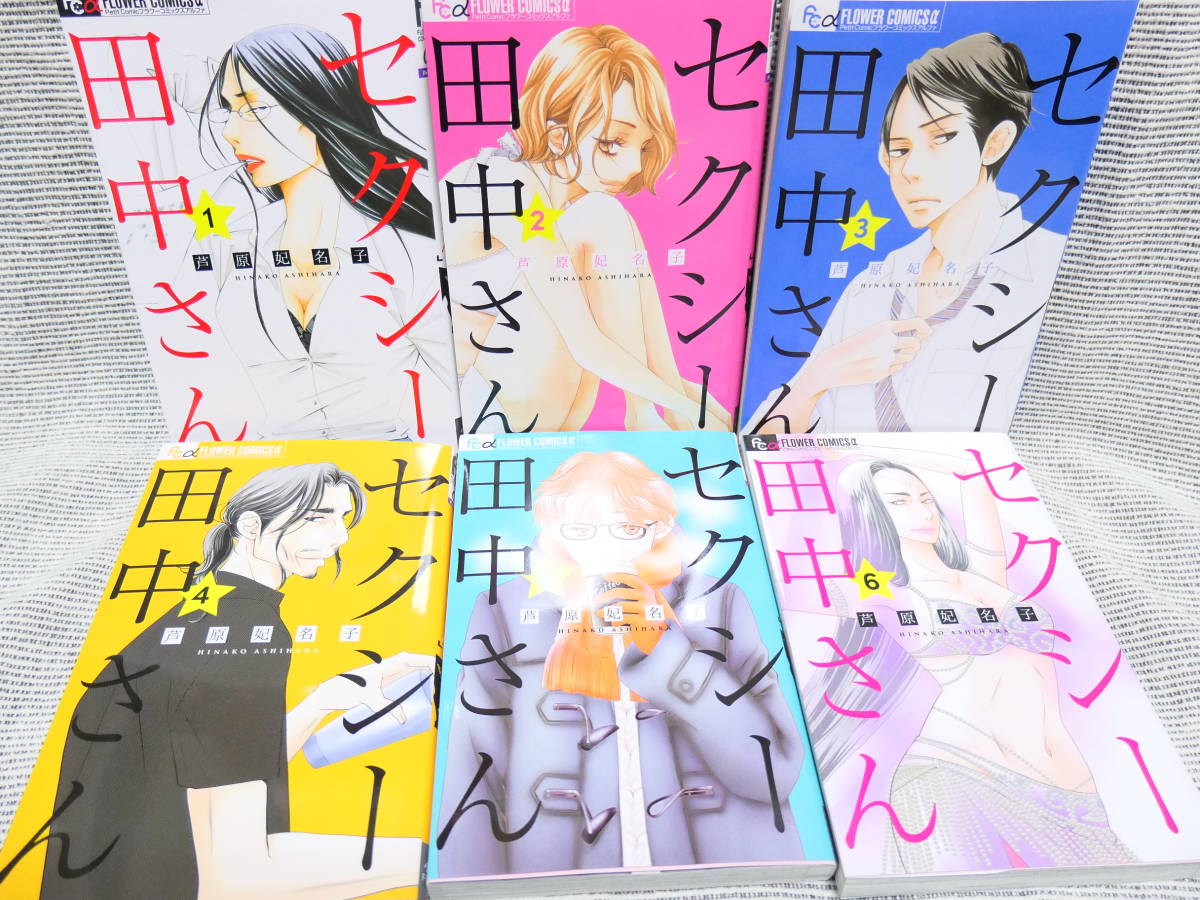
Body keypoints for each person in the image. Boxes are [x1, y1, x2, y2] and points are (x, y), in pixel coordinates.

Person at [41, 464, 432, 899]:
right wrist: (433, 862)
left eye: (343, 518)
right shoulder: (247, 629)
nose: (341, 536)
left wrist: (322, 701)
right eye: (318, 517)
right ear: (250, 525)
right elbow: (237, 879)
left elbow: (215, 759)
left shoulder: (194, 614)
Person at [436, 452, 803, 875]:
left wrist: (665, 648)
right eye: (580, 529)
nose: (605, 546)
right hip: (553, 871)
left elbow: (774, 771)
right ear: (552, 529)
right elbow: (471, 769)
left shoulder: (718, 600)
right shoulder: (505, 608)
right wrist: (472, 881)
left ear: (660, 525)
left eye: (628, 528)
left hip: (721, 869)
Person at [804, 446, 1134, 872]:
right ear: (870, 513)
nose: (923, 512)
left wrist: (868, 449)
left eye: (926, 499)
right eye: (900, 502)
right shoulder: (884, 590)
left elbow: (969, 473)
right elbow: (816, 594)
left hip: (1069, 789)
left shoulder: (983, 574)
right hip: (954, 775)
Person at [748, 33, 1065, 434]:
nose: (910, 170)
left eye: (941, 139)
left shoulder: (1051, 269)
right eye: (899, 150)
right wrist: (820, 375)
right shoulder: (871, 289)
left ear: (995, 143)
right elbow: (760, 442)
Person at [441, 25, 730, 432]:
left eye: (644, 146)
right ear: (557, 135)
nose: (633, 166)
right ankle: (645, 416)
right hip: (470, 416)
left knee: (606, 218)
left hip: (518, 409)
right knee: (602, 217)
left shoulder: (571, 207)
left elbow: (638, 330)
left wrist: (680, 400)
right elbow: (585, 343)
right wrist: (680, 403)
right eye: (613, 143)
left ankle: (650, 415)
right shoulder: (503, 183)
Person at [194, 25, 455, 441]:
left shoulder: (402, 246)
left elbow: (468, 380)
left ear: (315, 107)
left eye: (253, 108)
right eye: (229, 109)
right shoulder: (235, 238)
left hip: (391, 461)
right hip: (274, 464)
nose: (229, 132)